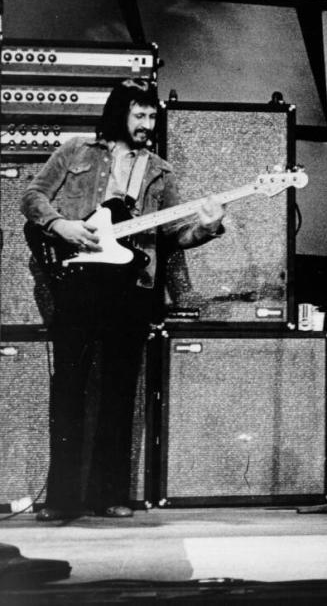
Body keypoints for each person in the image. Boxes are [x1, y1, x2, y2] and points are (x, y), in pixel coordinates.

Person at [21, 79, 226, 521]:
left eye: (152, 117)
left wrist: (207, 226)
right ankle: (61, 499)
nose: (147, 124)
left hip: (131, 290)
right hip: (76, 281)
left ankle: (108, 494)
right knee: (69, 390)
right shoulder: (76, 152)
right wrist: (61, 226)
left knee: (118, 393)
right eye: (139, 115)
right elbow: (32, 196)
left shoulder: (160, 172)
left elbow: (175, 236)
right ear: (120, 114)